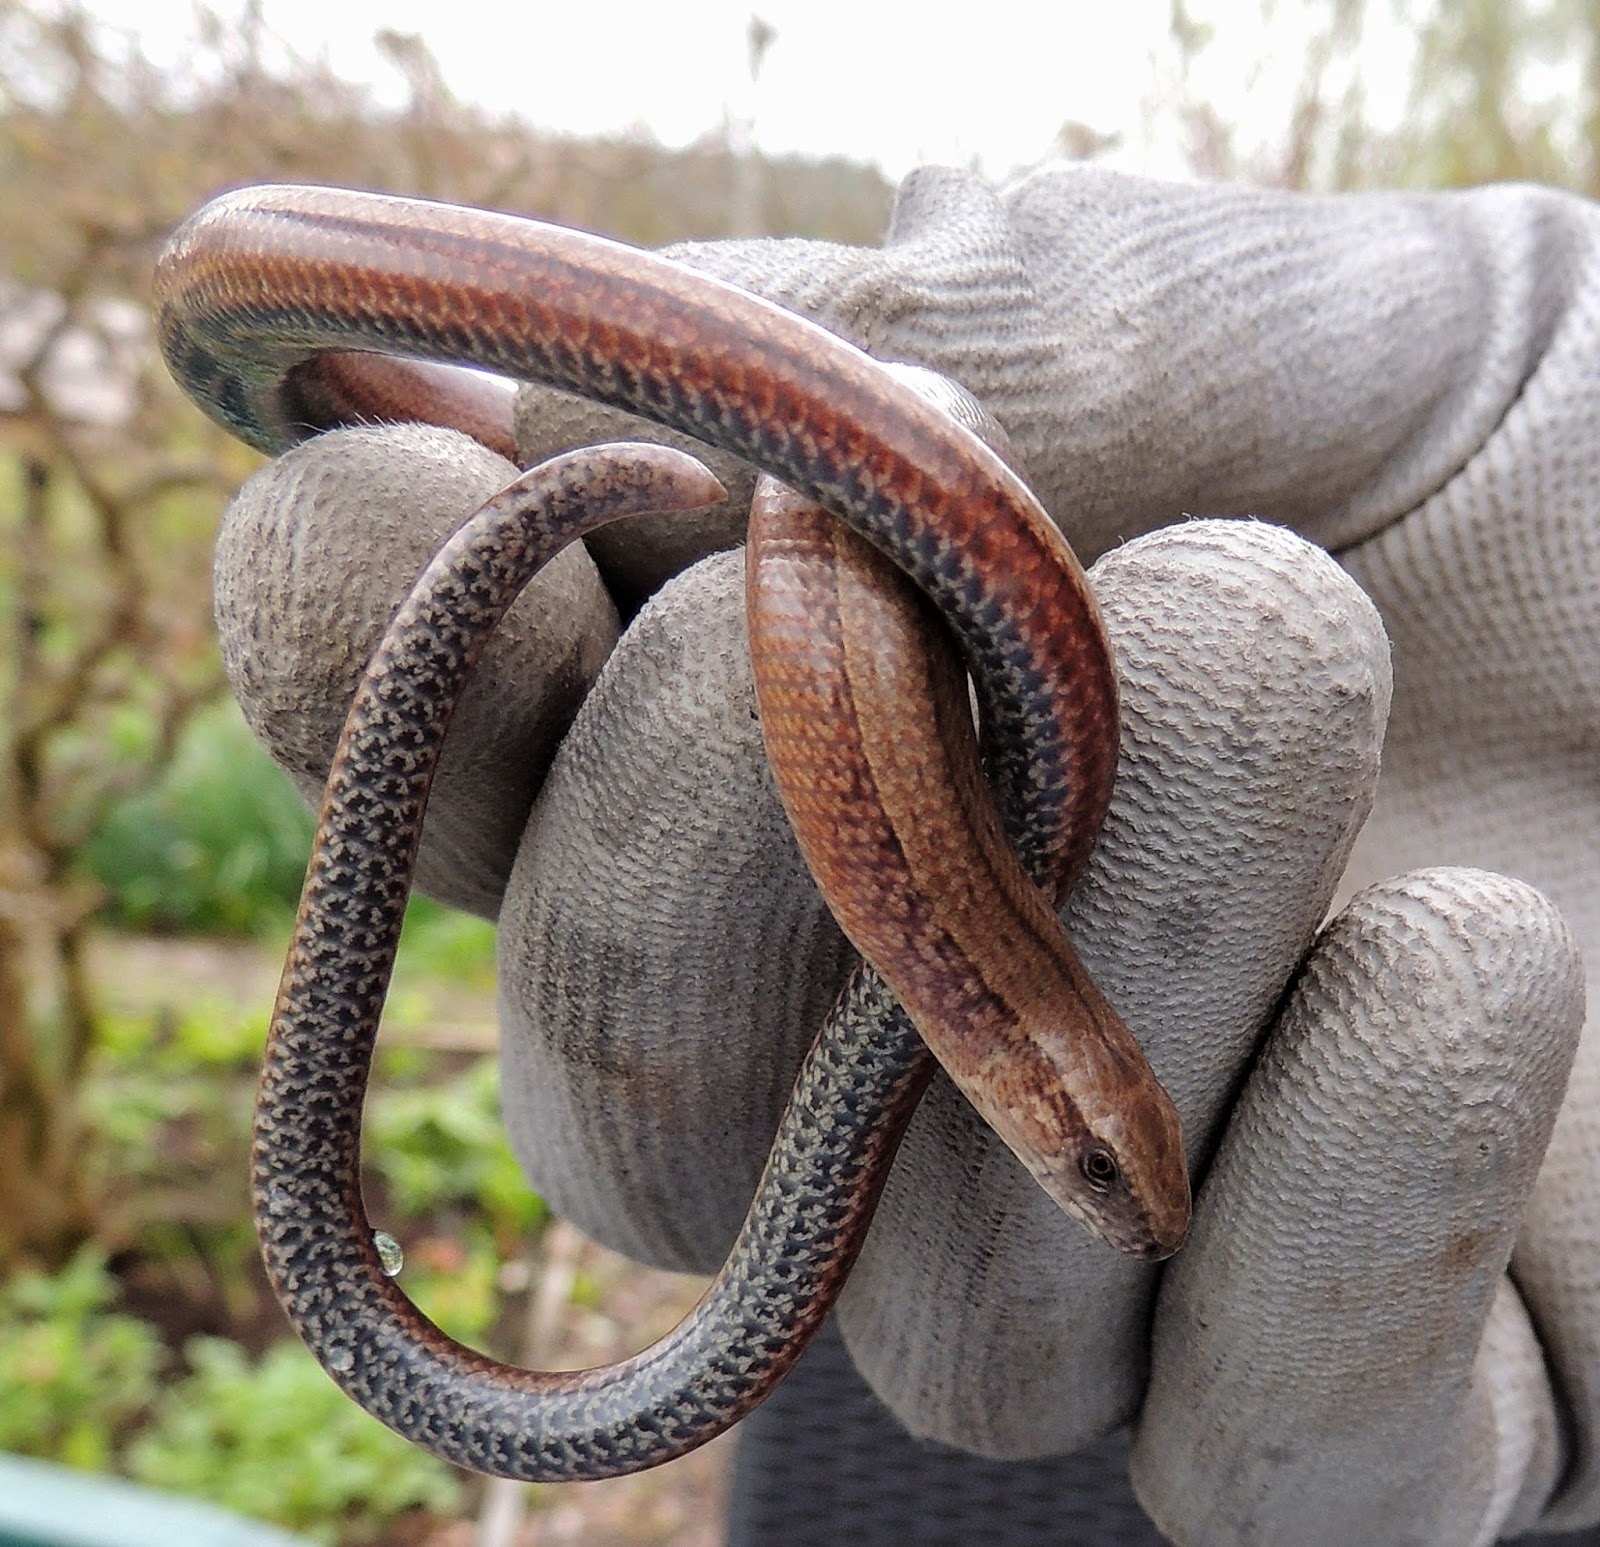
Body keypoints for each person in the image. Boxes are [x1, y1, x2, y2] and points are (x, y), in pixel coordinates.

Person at [213, 163, 1600, 1545]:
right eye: (1096, 1173)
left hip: (851, 498)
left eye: (1104, 1170)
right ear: (1037, 1077)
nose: (1101, 1198)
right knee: (881, 442)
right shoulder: (974, 959)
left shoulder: (962, 968)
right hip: (789, 445)